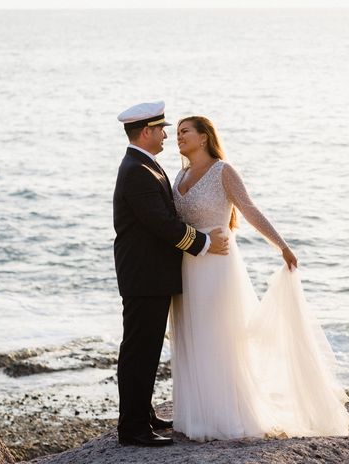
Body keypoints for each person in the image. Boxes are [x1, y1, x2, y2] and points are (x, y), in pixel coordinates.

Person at [169, 116, 349, 441]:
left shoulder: (222, 171)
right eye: (178, 132)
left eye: (185, 131)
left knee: (216, 337)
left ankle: (226, 416)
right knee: (190, 335)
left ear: (204, 136)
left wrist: (281, 245)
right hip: (187, 265)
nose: (178, 136)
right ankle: (196, 416)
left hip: (218, 268)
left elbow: (250, 210)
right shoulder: (180, 174)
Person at [113, 102, 229, 447]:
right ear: (146, 131)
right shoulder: (136, 170)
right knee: (140, 350)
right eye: (162, 129)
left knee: (144, 348)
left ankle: (142, 413)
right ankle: (132, 429)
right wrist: (204, 243)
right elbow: (162, 224)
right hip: (144, 276)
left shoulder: (145, 165)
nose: (166, 135)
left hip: (150, 275)